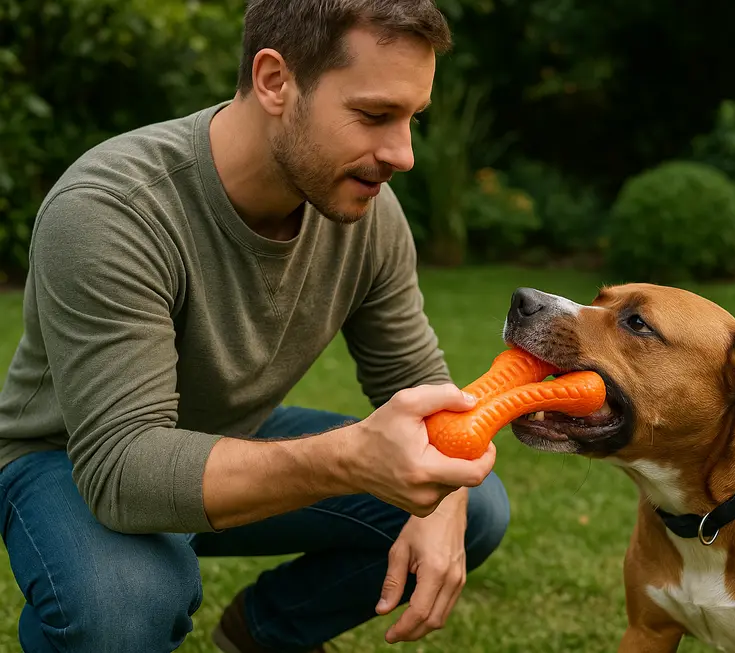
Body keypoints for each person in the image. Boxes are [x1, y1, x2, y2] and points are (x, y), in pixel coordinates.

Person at [0, 0, 511, 651]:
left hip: (225, 434)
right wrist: (349, 457)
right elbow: (124, 470)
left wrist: (443, 499)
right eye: (375, 115)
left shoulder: (366, 212)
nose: (403, 154)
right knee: (120, 602)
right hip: (72, 458)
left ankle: (261, 634)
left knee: (477, 502)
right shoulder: (111, 210)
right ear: (275, 80)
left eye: (413, 118)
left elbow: (421, 385)